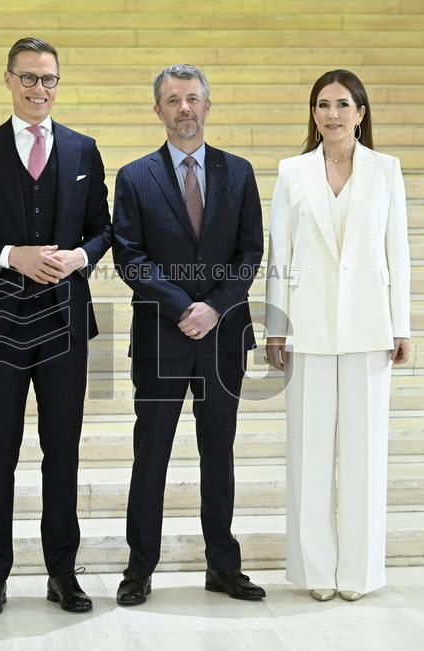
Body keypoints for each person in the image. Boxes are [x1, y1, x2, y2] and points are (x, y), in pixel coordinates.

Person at [0, 37, 112, 617]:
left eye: (50, 79)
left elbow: (102, 229)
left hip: (64, 321)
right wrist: (12, 254)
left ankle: (63, 573)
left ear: (59, 84)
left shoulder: (84, 151)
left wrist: (79, 259)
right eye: (29, 78)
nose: (40, 89)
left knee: (63, 451)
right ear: (8, 80)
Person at [112, 64, 265, 605]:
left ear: (207, 106)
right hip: (161, 336)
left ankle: (223, 567)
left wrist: (215, 309)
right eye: (173, 100)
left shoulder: (239, 173)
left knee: (217, 453)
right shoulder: (134, 176)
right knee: (150, 454)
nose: (184, 108)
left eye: (193, 98)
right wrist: (184, 308)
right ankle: (139, 569)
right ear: (158, 110)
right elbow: (130, 257)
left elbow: (250, 254)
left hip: (223, 339)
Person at [264, 69, 411, 602]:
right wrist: (275, 327)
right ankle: (315, 572)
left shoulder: (387, 170)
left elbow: (399, 252)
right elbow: (278, 254)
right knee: (308, 454)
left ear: (361, 113)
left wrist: (402, 324)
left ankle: (360, 573)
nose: (331, 114)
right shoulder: (292, 172)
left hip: (370, 328)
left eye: (342, 104)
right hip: (306, 330)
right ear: (313, 114)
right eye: (322, 105)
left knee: (365, 454)